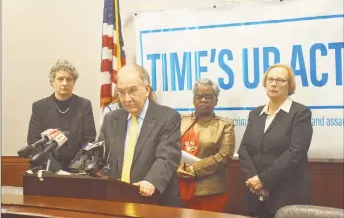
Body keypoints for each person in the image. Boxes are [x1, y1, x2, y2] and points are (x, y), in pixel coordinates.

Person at [98, 64, 182, 207]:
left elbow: (167, 157)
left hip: (154, 202)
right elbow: (99, 153)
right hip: (117, 200)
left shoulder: (167, 117)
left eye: (132, 91)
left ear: (147, 89)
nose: (127, 98)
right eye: (121, 92)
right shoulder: (111, 119)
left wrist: (151, 181)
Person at [238, 63, 313, 218]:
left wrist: (263, 180)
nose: (273, 84)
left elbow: (295, 153)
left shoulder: (300, 113)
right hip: (256, 194)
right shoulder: (255, 113)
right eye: (270, 79)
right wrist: (255, 182)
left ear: (290, 86)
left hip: (287, 194)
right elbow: (244, 149)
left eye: (280, 80)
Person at [177, 78, 235, 212]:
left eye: (208, 97)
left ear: (216, 100)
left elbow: (224, 156)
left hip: (210, 192)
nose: (203, 100)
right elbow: (169, 149)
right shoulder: (180, 121)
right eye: (199, 96)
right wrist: (176, 168)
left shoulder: (224, 125)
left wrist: (194, 169)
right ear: (194, 99)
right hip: (179, 188)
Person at [27, 59, 97, 171]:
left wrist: (75, 167)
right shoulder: (40, 107)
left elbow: (89, 140)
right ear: (52, 81)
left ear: (74, 82)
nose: (64, 83)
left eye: (69, 79)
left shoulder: (84, 105)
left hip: (76, 169)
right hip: (46, 168)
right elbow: (34, 140)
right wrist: (55, 169)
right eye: (60, 79)